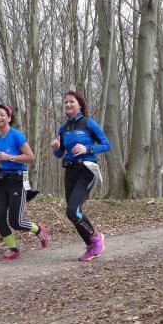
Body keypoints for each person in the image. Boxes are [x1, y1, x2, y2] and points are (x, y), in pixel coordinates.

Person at [0, 104, 50, 260]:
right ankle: (13, 249)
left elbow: (30, 157)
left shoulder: (17, 135)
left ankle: (39, 230)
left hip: (19, 179)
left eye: (2, 115)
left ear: (9, 118)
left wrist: (10, 157)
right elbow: (1, 163)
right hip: (1, 180)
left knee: (16, 222)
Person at [51, 91, 111, 261]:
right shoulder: (63, 128)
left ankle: (96, 238)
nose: (68, 105)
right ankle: (91, 245)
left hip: (87, 170)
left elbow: (107, 145)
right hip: (70, 171)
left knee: (73, 210)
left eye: (71, 101)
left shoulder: (88, 123)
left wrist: (87, 149)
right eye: (66, 102)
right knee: (72, 213)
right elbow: (60, 154)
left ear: (80, 105)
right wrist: (56, 148)